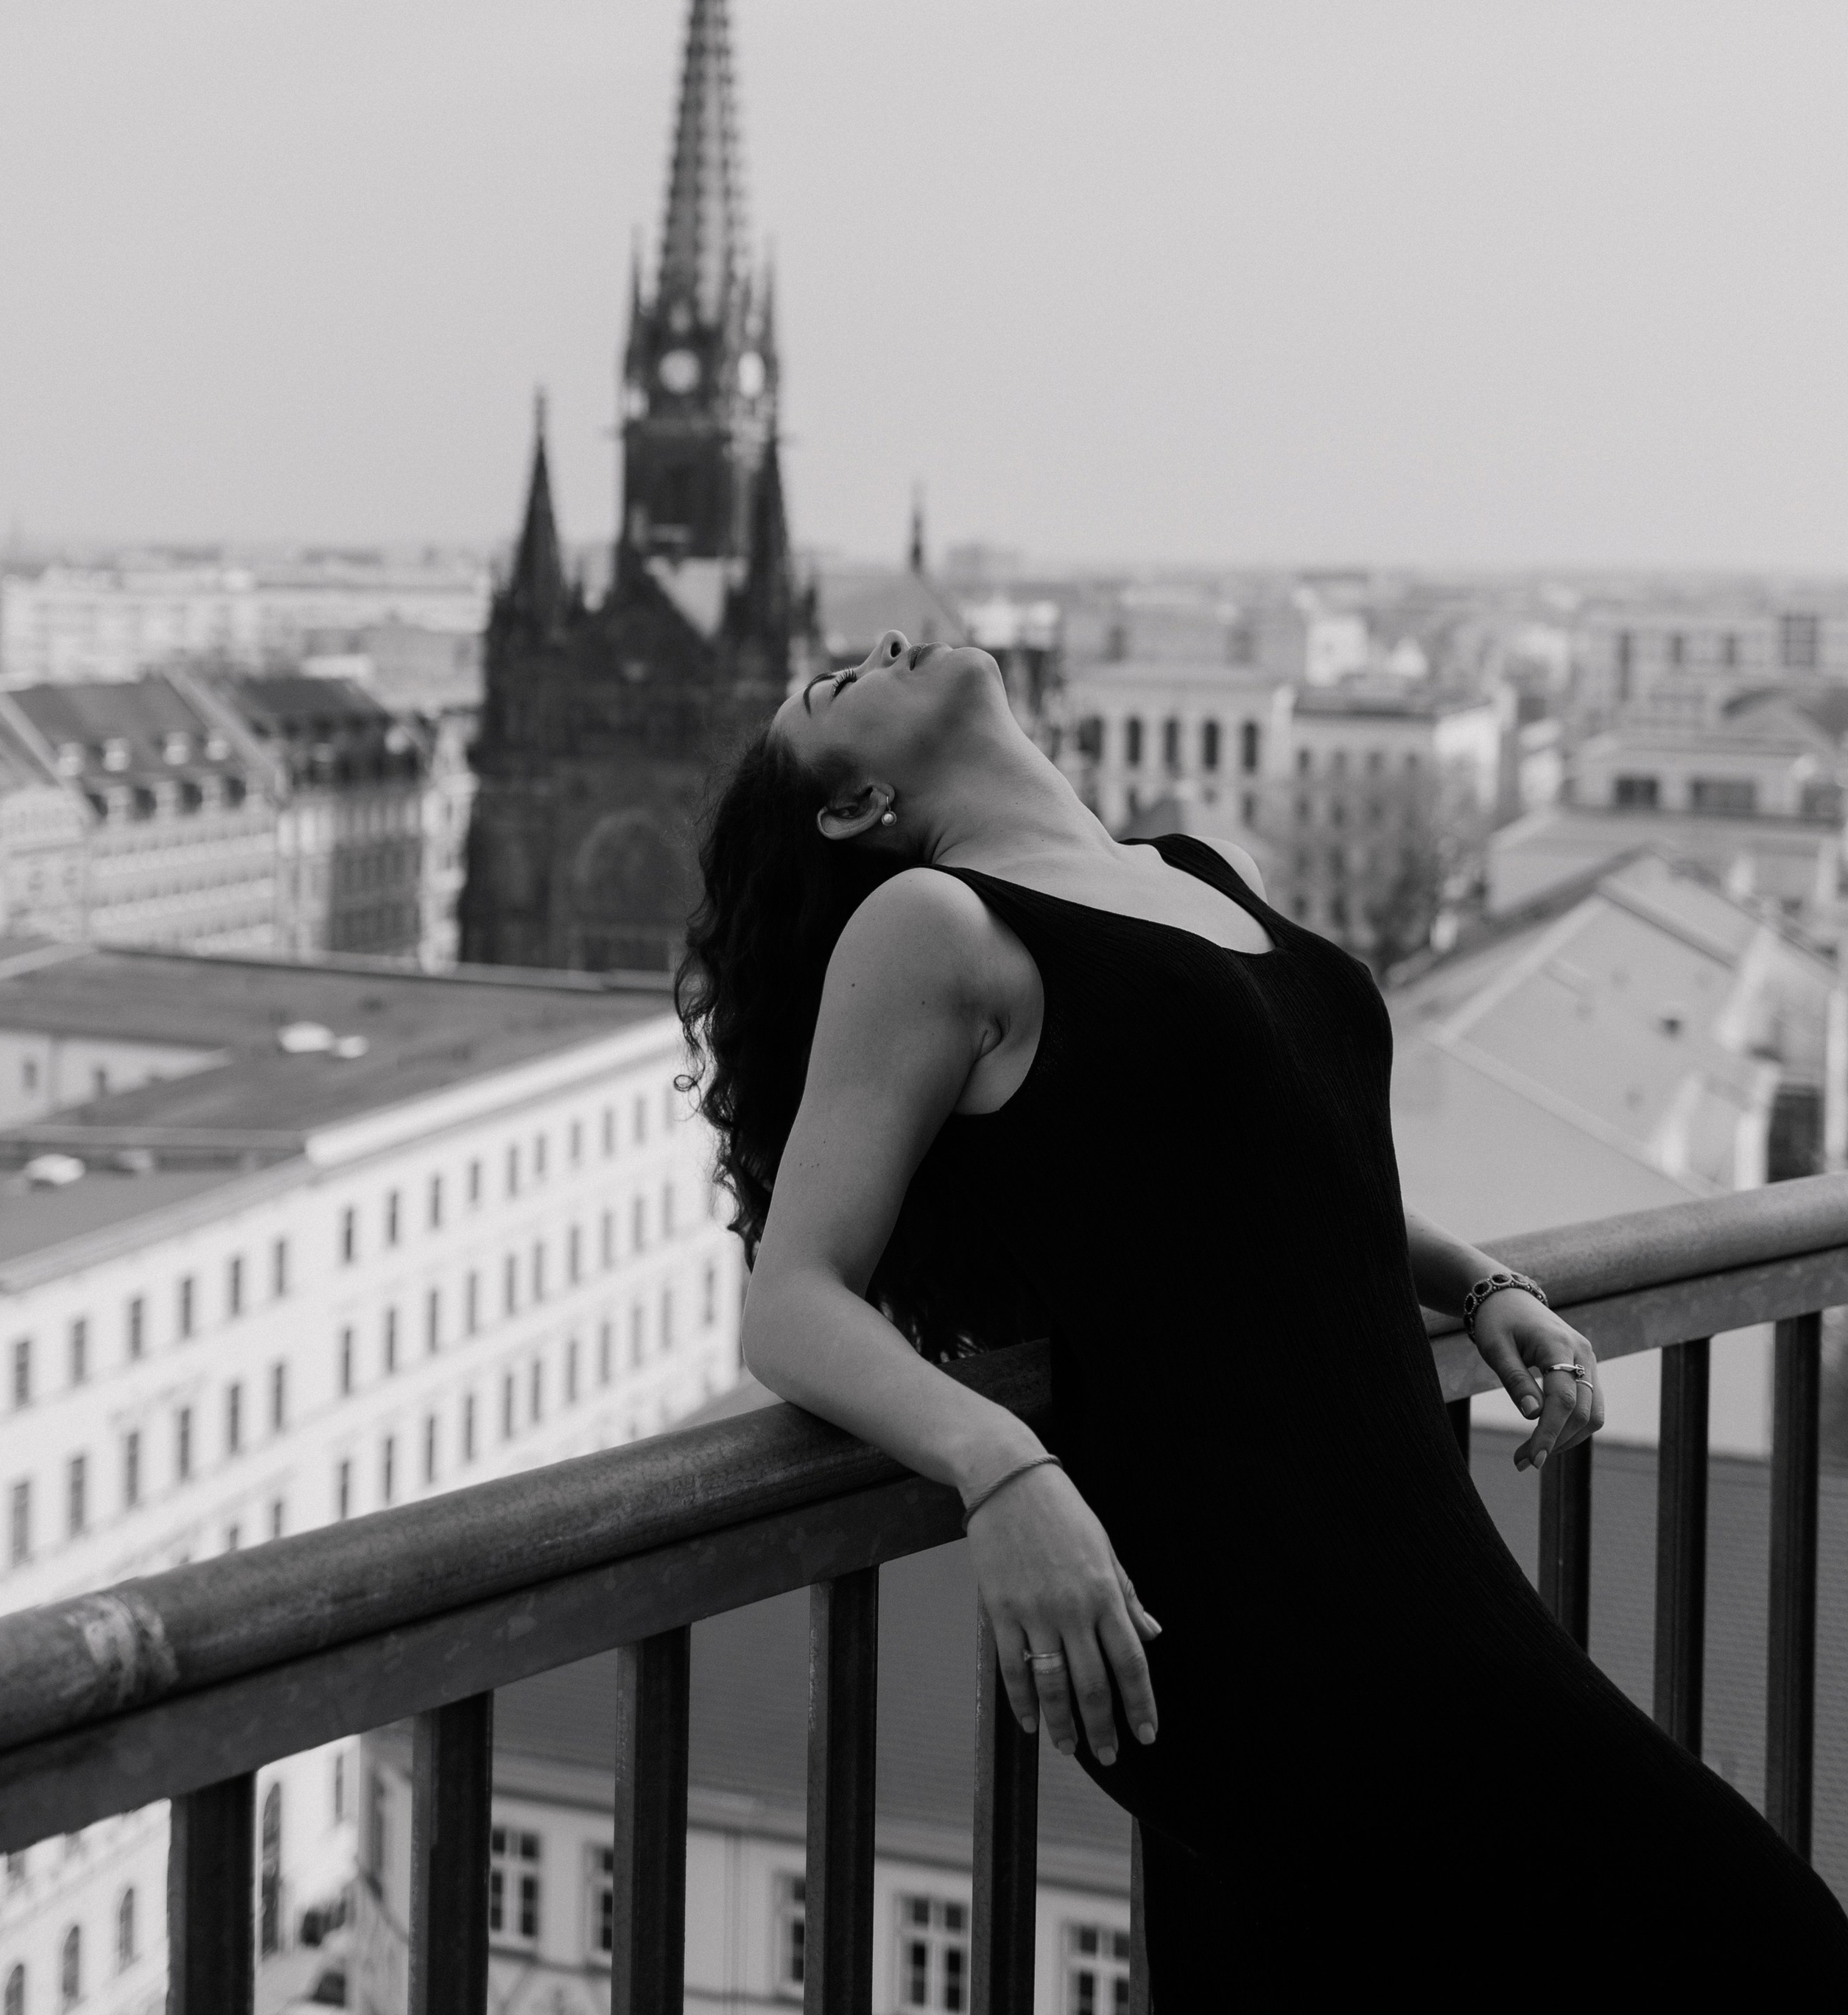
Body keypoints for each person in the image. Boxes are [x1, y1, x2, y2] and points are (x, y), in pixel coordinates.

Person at [678, 629, 1848, 1996]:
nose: (869, 649)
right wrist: (1005, 1472)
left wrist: (1475, 1283)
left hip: (1404, 1574)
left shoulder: (1186, 874)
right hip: (1258, 1622)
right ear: (854, 808)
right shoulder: (933, 925)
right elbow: (792, 1303)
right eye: (831, 691)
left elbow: (1275, 1167)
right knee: (1763, 1944)